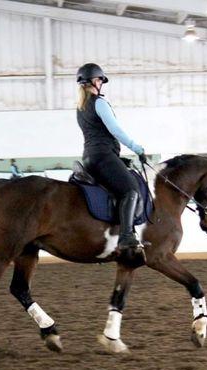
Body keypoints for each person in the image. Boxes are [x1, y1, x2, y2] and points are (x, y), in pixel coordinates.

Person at [76, 62, 147, 256]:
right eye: (99, 79)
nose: (101, 83)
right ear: (93, 81)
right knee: (131, 190)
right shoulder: (99, 103)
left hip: (90, 158)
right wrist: (136, 148)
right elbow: (115, 130)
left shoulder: (80, 107)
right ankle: (126, 236)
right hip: (103, 156)